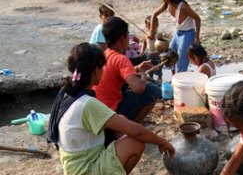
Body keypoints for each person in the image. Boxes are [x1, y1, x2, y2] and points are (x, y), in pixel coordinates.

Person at [48, 43, 175, 175]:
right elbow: (136, 131)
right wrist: (162, 142)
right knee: (135, 142)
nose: (103, 71)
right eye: (102, 68)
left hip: (73, 165)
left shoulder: (66, 91)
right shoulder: (87, 104)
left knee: (122, 122)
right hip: (85, 169)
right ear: (95, 71)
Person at [93, 16, 162, 144]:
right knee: (153, 91)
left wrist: (135, 68)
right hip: (111, 112)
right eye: (127, 36)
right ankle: (127, 130)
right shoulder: (121, 58)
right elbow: (139, 88)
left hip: (98, 111)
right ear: (122, 38)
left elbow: (115, 71)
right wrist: (142, 75)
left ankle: (123, 128)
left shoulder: (104, 54)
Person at [148, 0, 201, 73]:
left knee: (181, 59)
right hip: (177, 33)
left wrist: (197, 38)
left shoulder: (183, 7)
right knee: (170, 55)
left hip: (188, 34)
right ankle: (174, 78)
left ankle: (180, 78)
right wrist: (151, 32)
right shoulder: (167, 4)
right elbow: (154, 14)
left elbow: (197, 19)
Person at [141, 15, 162, 80]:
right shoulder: (145, 34)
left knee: (159, 68)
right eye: (149, 26)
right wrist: (142, 50)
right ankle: (151, 78)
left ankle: (159, 78)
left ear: (157, 25)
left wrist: (154, 39)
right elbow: (144, 43)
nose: (151, 28)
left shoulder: (159, 34)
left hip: (157, 54)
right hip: (149, 54)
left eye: (153, 26)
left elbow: (162, 44)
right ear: (146, 26)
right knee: (150, 68)